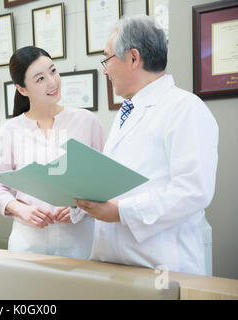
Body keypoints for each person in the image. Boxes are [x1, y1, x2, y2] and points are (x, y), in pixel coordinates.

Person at [73, 15, 219, 275]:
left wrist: (121, 212)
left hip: (162, 267)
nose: (104, 70)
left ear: (133, 58)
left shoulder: (185, 108)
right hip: (114, 263)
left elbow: (193, 191)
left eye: (107, 59)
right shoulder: (126, 112)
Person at [0, 46, 106, 259]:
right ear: (22, 89)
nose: (52, 82)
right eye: (40, 79)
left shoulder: (87, 122)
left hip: (80, 242)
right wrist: (22, 210)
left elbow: (105, 182)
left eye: (53, 71)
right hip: (28, 242)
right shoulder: (9, 132)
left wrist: (80, 210)